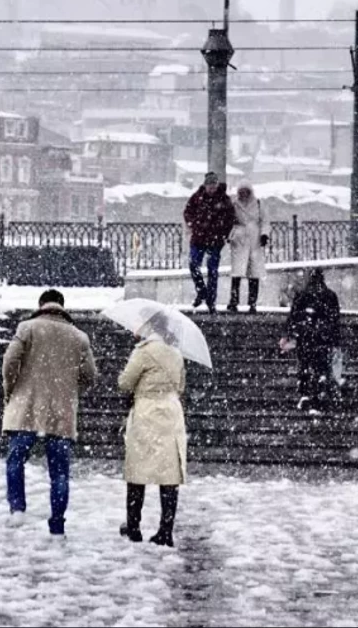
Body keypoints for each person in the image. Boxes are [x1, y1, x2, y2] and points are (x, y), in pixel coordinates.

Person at [2, 289, 98, 537]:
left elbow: (10, 362)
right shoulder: (79, 337)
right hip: (61, 411)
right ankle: (57, 524)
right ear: (62, 307)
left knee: (15, 460)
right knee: (60, 472)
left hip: (27, 406)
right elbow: (90, 375)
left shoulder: (27, 328)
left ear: (41, 305)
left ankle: (18, 508)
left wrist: (11, 389)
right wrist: (69, 390)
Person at [117, 311, 187, 548]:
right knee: (169, 473)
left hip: (146, 411)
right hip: (171, 412)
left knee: (138, 469)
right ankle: (165, 530)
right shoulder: (176, 352)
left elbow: (125, 383)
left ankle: (133, 527)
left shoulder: (143, 351)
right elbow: (180, 385)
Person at [280, 268, 343, 413]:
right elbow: (334, 320)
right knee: (322, 368)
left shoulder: (302, 295)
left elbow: (293, 316)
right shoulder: (330, 295)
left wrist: (288, 334)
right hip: (323, 339)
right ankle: (319, 395)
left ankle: (306, 394)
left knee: (305, 366)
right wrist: (335, 341)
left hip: (306, 338)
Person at [183, 172, 237, 314]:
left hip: (215, 240)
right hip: (199, 238)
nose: (212, 189)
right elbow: (187, 211)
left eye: (214, 186)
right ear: (205, 185)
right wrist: (194, 223)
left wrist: (223, 233)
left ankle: (210, 301)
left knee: (212, 270)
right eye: (209, 186)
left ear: (217, 185)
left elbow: (230, 218)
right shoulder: (197, 197)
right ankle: (202, 291)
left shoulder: (224, 199)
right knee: (193, 264)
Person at [227, 184, 270, 313]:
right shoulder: (234, 204)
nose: (244, 194)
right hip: (239, 240)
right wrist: (230, 235)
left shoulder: (258, 204)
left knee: (254, 273)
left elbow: (265, 220)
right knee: (237, 272)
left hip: (254, 240)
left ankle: (252, 303)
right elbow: (228, 220)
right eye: (241, 192)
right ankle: (234, 301)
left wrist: (264, 235)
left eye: (246, 192)